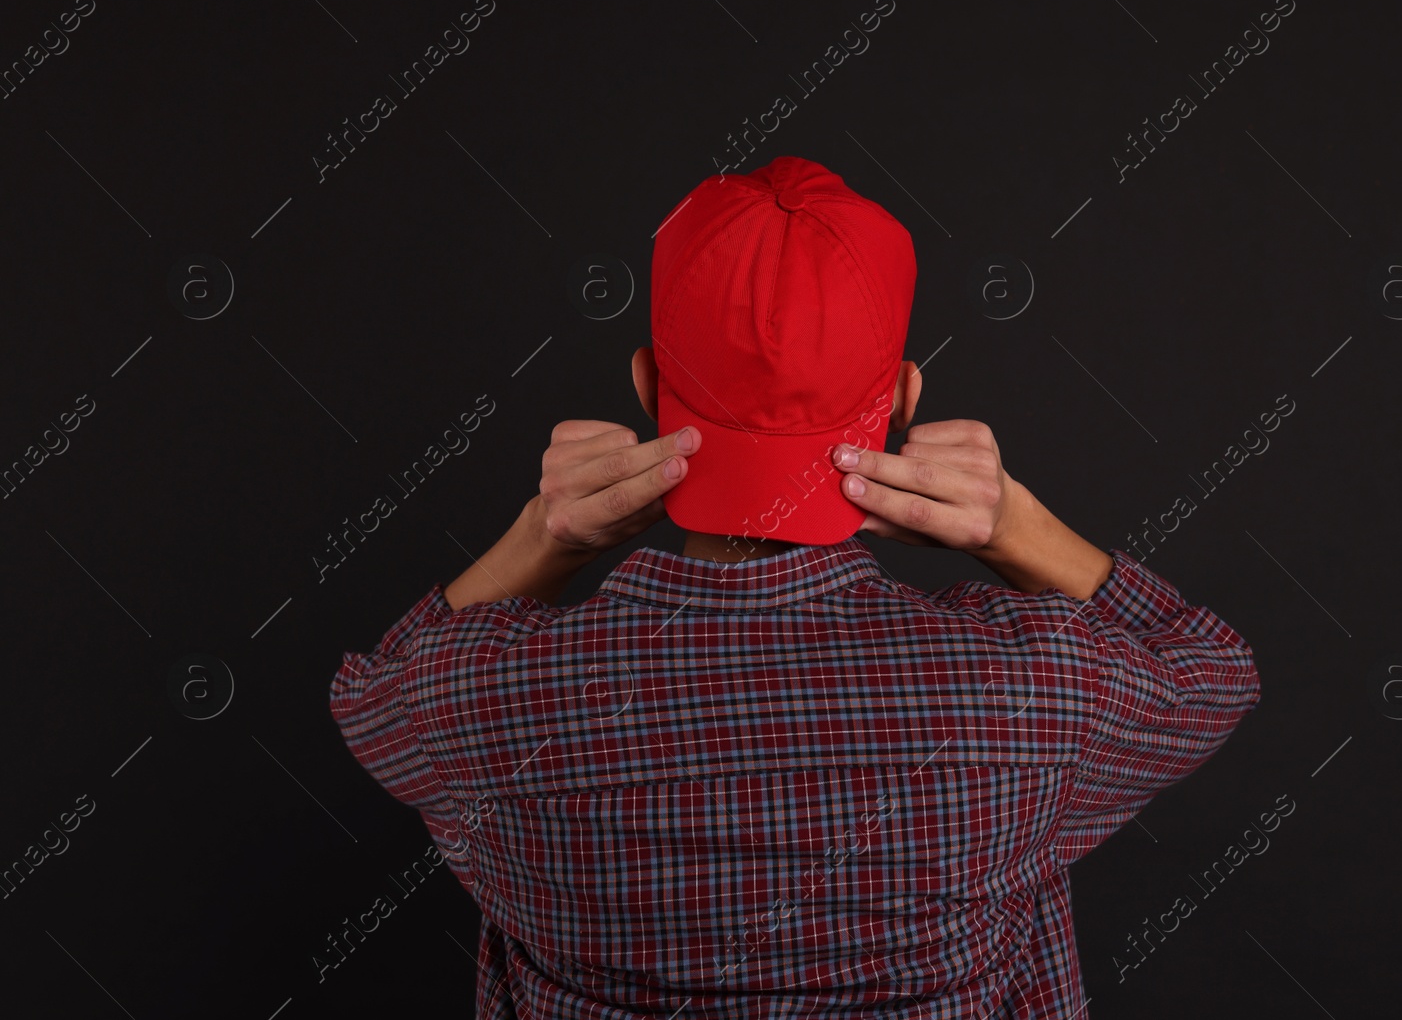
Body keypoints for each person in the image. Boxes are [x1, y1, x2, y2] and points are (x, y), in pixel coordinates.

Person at [331, 156, 1261, 1018]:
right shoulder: (1031, 690)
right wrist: (1013, 526)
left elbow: (369, 696)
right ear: (902, 399)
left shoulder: (485, 701)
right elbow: (1214, 670)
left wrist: (546, 536)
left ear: (649, 387)